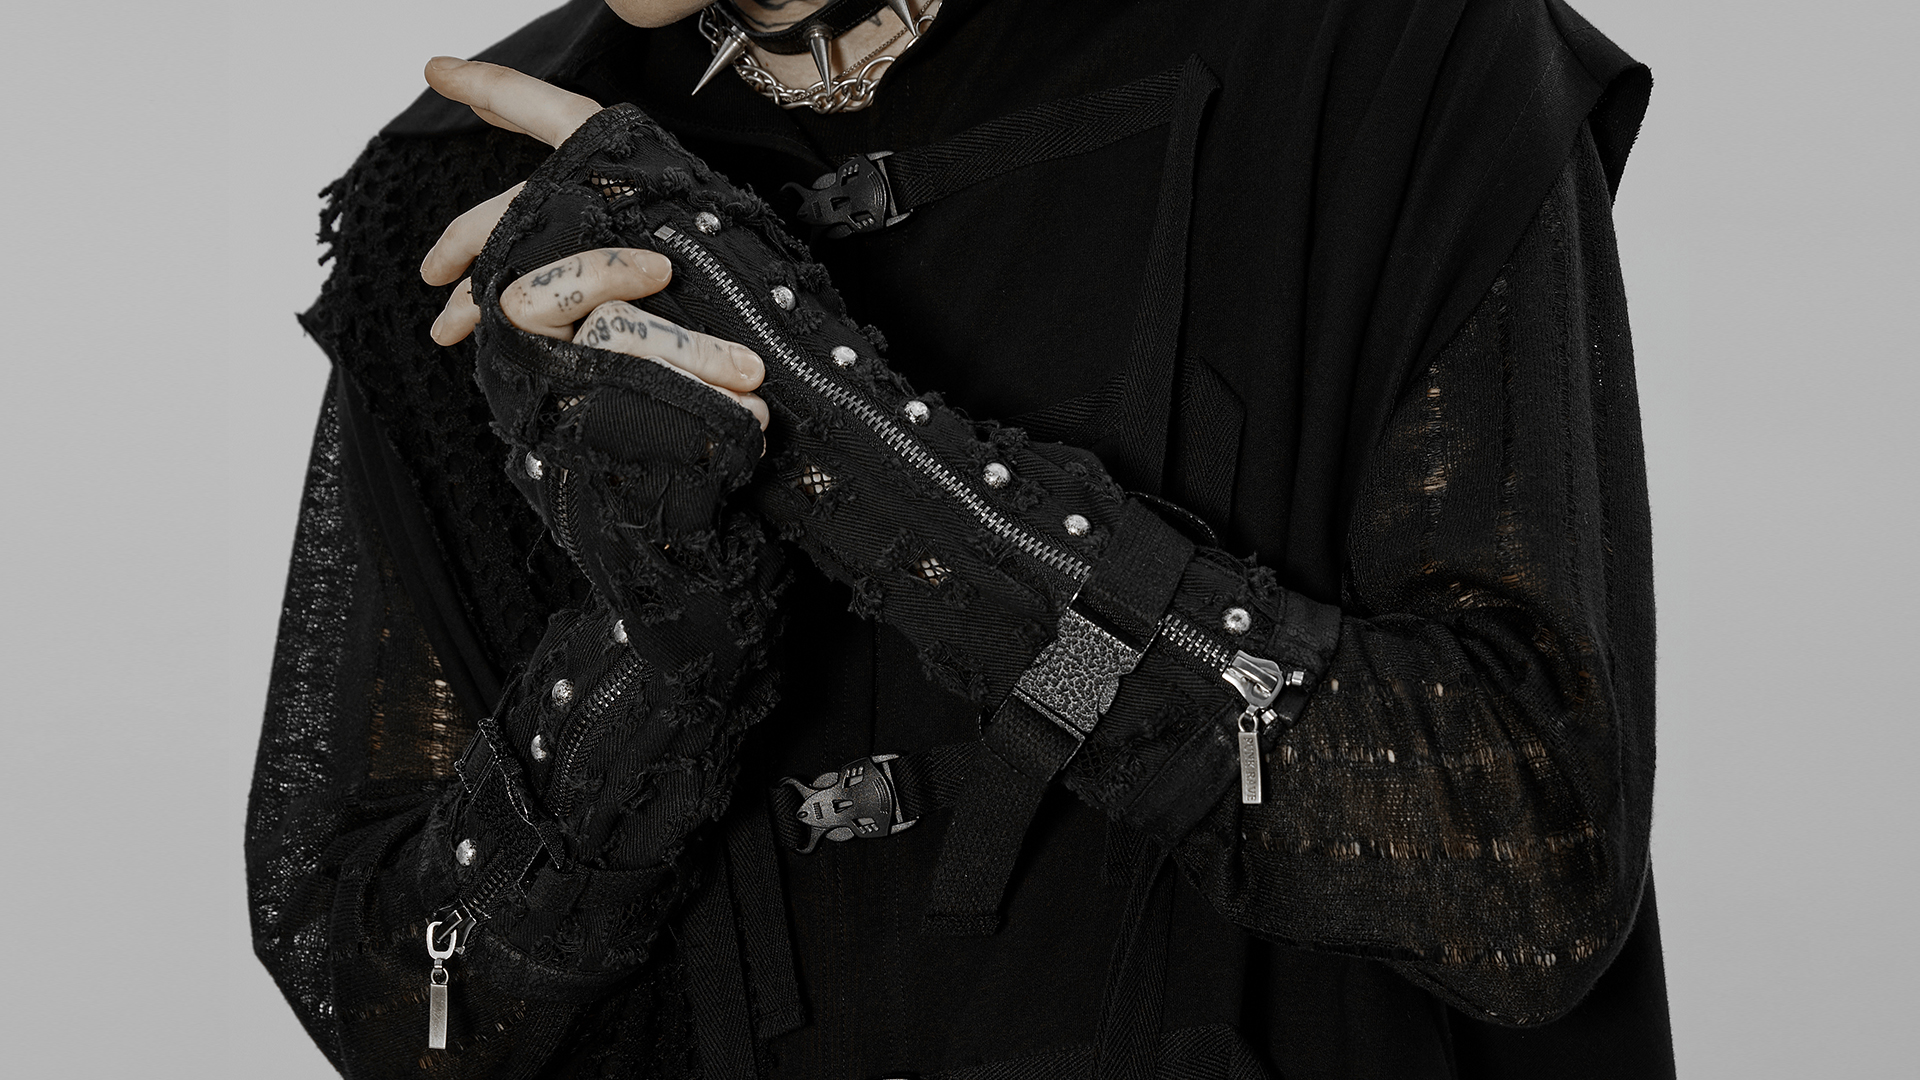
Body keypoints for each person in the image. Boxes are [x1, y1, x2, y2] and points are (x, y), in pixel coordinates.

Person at [247, 1, 1675, 1076]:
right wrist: (664, 639)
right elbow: (384, 997)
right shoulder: (490, 195)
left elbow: (1525, 872)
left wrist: (851, 447)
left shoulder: (1380, 52)